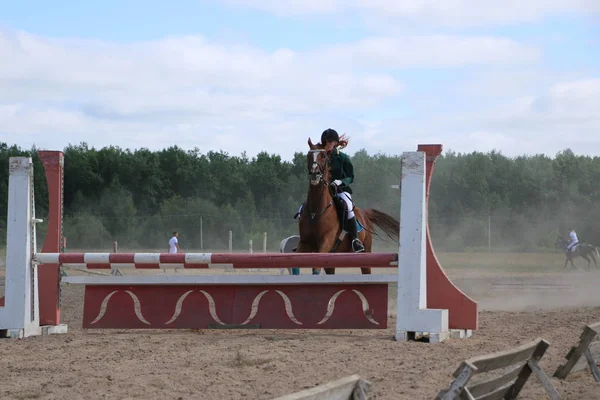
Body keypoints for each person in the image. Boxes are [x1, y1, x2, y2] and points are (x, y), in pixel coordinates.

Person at [320, 128, 365, 252]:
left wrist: (340, 181)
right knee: (305, 207)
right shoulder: (320, 157)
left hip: (340, 190)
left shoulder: (343, 158)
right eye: (325, 143)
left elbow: (351, 177)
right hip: (323, 190)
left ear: (335, 143)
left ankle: (355, 239)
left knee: (348, 206)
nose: (327, 145)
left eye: (329, 142)